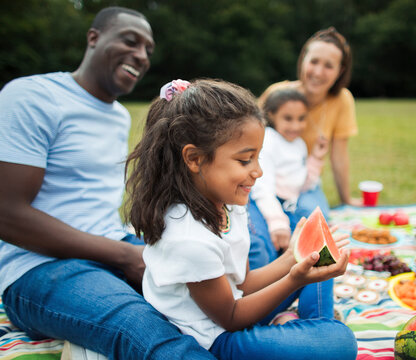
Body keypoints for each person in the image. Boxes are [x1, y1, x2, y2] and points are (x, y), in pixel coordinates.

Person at [0, 7, 215, 360]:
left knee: (215, 301)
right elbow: (6, 214)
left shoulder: (117, 116)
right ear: (94, 38)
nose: (141, 56)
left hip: (113, 245)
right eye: (130, 41)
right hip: (39, 269)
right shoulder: (32, 96)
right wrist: (125, 255)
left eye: (148, 50)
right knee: (147, 333)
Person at [124, 78, 357, 360]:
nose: (258, 172)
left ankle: (303, 330)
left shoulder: (227, 201)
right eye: (245, 160)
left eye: (258, 158)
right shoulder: (188, 239)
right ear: (194, 158)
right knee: (341, 342)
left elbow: (243, 283)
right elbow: (231, 318)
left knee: (320, 256)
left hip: (239, 307)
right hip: (218, 338)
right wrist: (294, 278)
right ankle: (303, 331)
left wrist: (292, 258)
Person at [248, 26, 359, 269]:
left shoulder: (342, 101)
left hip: (304, 179)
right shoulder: (278, 95)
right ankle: (274, 267)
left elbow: (339, 156)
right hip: (268, 178)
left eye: (329, 65)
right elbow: (248, 139)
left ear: (340, 71)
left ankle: (300, 264)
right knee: (262, 228)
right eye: (314, 61)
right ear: (303, 61)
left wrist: (347, 199)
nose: (318, 72)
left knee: (315, 220)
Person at [250, 88, 329, 262]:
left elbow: (303, 183)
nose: (295, 126)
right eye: (288, 119)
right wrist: (277, 223)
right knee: (270, 250)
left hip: (289, 205)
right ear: (271, 115)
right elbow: (262, 187)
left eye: (301, 119)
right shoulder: (269, 140)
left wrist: (316, 157)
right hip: (268, 203)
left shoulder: (298, 143)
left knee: (310, 246)